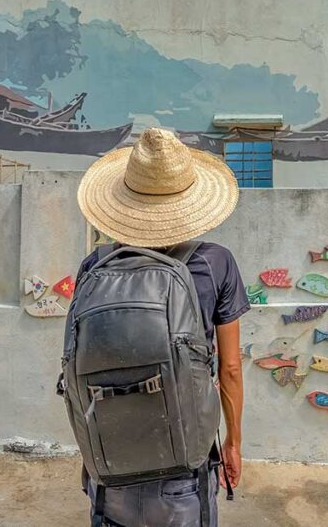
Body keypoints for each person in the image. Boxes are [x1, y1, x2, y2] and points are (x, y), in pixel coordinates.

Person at [72, 127, 248, 526]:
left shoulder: (95, 265)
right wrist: (234, 443)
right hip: (183, 462)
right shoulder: (216, 263)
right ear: (190, 200)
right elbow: (231, 369)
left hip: (110, 461)